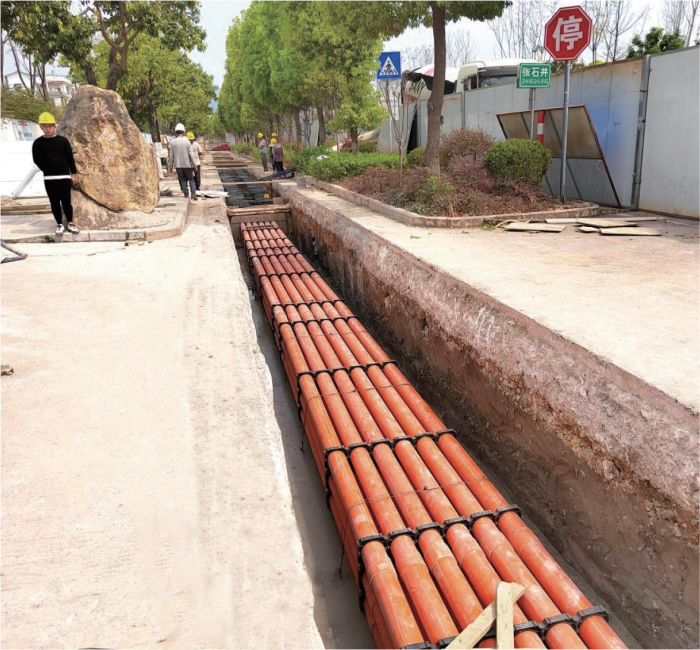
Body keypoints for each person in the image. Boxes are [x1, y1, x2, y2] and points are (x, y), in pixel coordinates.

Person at [32, 112, 80, 235]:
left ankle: (70, 223)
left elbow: (70, 158)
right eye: (45, 126)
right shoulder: (37, 143)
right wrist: (47, 169)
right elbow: (36, 159)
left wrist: (73, 174)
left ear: (54, 126)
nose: (48, 129)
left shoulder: (63, 141)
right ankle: (59, 224)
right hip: (49, 178)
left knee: (66, 202)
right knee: (54, 202)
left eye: (50, 126)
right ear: (41, 127)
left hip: (64, 177)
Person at [168, 123, 198, 200]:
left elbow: (171, 156)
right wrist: (194, 165)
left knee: (183, 179)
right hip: (187, 164)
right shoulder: (187, 141)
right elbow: (191, 154)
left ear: (176, 132)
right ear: (183, 132)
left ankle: (186, 194)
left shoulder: (172, 142)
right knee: (191, 179)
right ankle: (193, 193)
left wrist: (170, 167)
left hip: (178, 165)